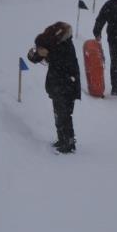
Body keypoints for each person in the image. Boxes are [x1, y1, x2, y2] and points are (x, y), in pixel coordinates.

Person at [26, 22, 81, 154]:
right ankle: (61, 138)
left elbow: (61, 62)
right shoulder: (53, 45)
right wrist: (33, 55)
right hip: (57, 85)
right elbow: (38, 57)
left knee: (65, 114)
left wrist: (47, 54)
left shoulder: (65, 46)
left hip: (67, 85)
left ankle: (69, 142)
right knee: (58, 113)